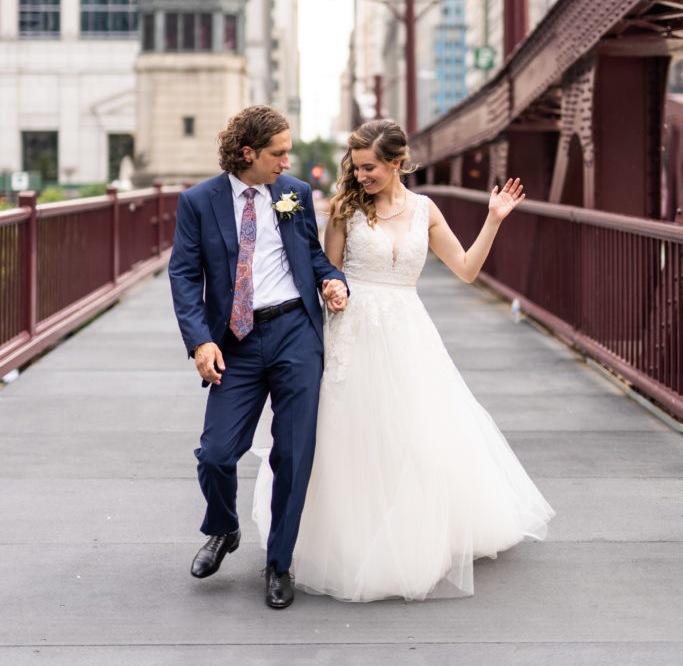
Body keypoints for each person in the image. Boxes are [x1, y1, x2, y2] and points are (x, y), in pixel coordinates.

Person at [252, 119, 554, 602]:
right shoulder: (346, 210)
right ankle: (338, 542)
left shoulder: (425, 211)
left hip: (408, 332)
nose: (361, 175)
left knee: (416, 434)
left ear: (396, 163)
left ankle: (411, 538)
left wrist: (493, 219)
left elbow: (467, 270)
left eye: (370, 167)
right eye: (356, 167)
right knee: (349, 435)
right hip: (352, 330)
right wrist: (331, 290)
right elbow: (325, 271)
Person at [169, 106, 348, 609]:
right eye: (278, 152)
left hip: (295, 331)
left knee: (292, 453)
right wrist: (201, 341)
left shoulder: (293, 192)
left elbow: (312, 255)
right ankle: (224, 530)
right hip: (236, 343)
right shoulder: (198, 202)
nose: (286, 160)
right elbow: (183, 275)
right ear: (247, 153)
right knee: (216, 455)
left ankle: (280, 562)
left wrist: (333, 280)